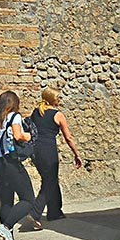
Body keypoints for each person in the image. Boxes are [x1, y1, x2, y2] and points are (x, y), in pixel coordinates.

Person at [0, 90, 38, 240]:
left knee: (6, 202)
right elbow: (18, 136)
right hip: (9, 162)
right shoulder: (14, 116)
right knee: (28, 199)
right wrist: (28, 136)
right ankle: (6, 227)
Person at [30, 87, 82, 222]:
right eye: (58, 97)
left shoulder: (36, 112)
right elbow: (68, 137)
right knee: (50, 181)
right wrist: (76, 154)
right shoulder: (58, 115)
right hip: (48, 150)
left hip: (35, 150)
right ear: (53, 99)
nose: (60, 100)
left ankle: (55, 211)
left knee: (51, 179)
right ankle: (35, 213)